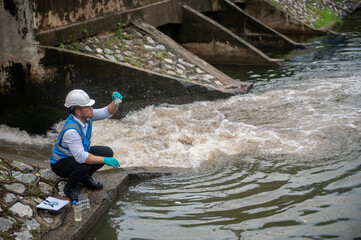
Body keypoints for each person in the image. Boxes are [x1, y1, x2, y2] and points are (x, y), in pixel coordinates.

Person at [50, 89, 123, 201]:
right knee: (85, 164)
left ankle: (84, 177)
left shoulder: (87, 116)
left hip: (74, 157)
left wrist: (115, 102)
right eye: (88, 107)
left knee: (107, 152)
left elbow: (106, 112)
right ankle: (70, 187)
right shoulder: (71, 131)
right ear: (78, 112)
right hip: (60, 164)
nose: (91, 109)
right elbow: (81, 157)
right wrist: (104, 160)